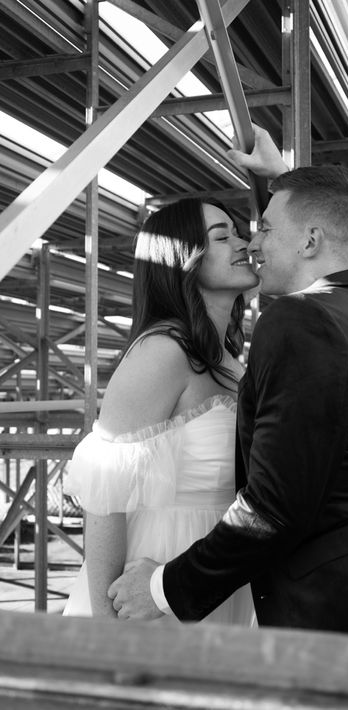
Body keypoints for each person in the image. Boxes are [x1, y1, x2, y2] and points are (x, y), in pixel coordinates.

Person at [108, 126, 348, 641]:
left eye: (263, 228)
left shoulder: (297, 321)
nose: (253, 243)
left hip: (336, 608)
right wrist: (288, 181)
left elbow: (274, 506)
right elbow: (335, 235)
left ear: (308, 239)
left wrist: (164, 589)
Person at [62, 196, 259, 626]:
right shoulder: (162, 351)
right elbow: (104, 497)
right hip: (153, 580)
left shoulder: (230, 358)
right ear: (181, 259)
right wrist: (109, 632)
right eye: (222, 237)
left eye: (239, 232)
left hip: (216, 574)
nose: (243, 243)